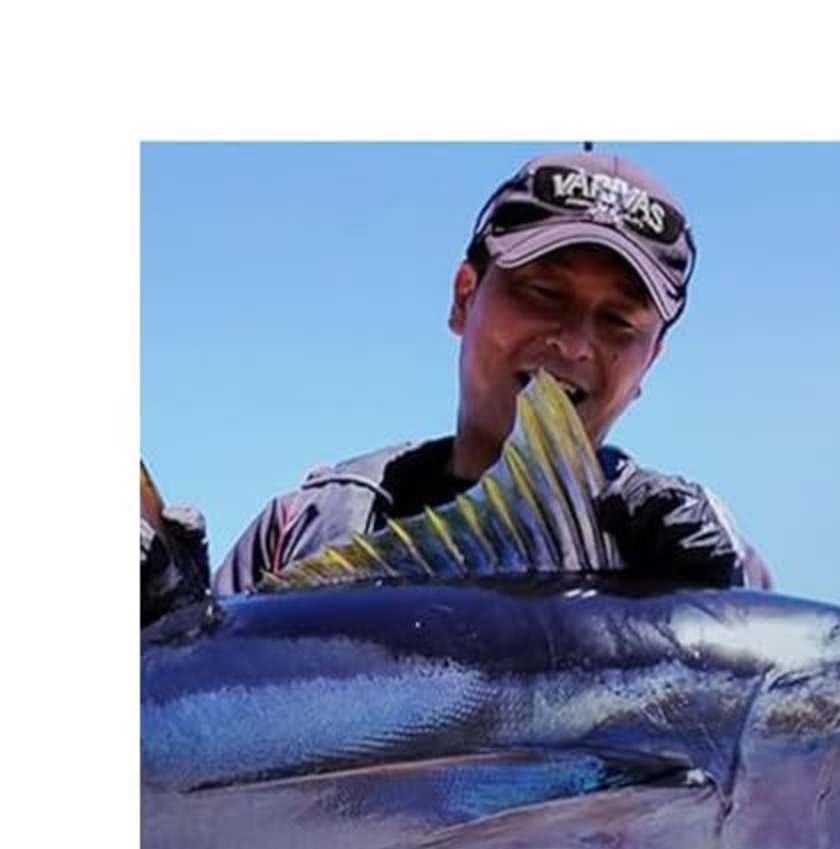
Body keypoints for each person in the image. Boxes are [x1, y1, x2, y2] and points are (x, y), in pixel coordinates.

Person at [143, 150, 770, 621]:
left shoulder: (708, 563)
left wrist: (712, 617)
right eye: (543, 293)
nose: (575, 343)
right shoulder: (303, 527)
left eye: (619, 322)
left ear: (650, 362)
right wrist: (163, 643)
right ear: (464, 297)